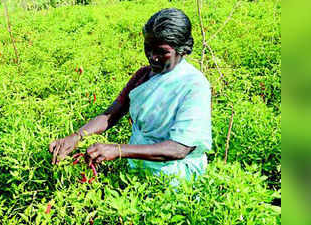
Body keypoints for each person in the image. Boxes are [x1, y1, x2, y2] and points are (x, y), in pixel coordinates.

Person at [49, 8, 212, 184]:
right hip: (137, 168)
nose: (152, 57)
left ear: (183, 50)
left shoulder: (194, 85)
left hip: (175, 177)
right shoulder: (143, 75)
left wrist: (118, 150)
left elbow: (180, 148)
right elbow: (112, 114)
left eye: (162, 52)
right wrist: (77, 136)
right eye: (148, 48)